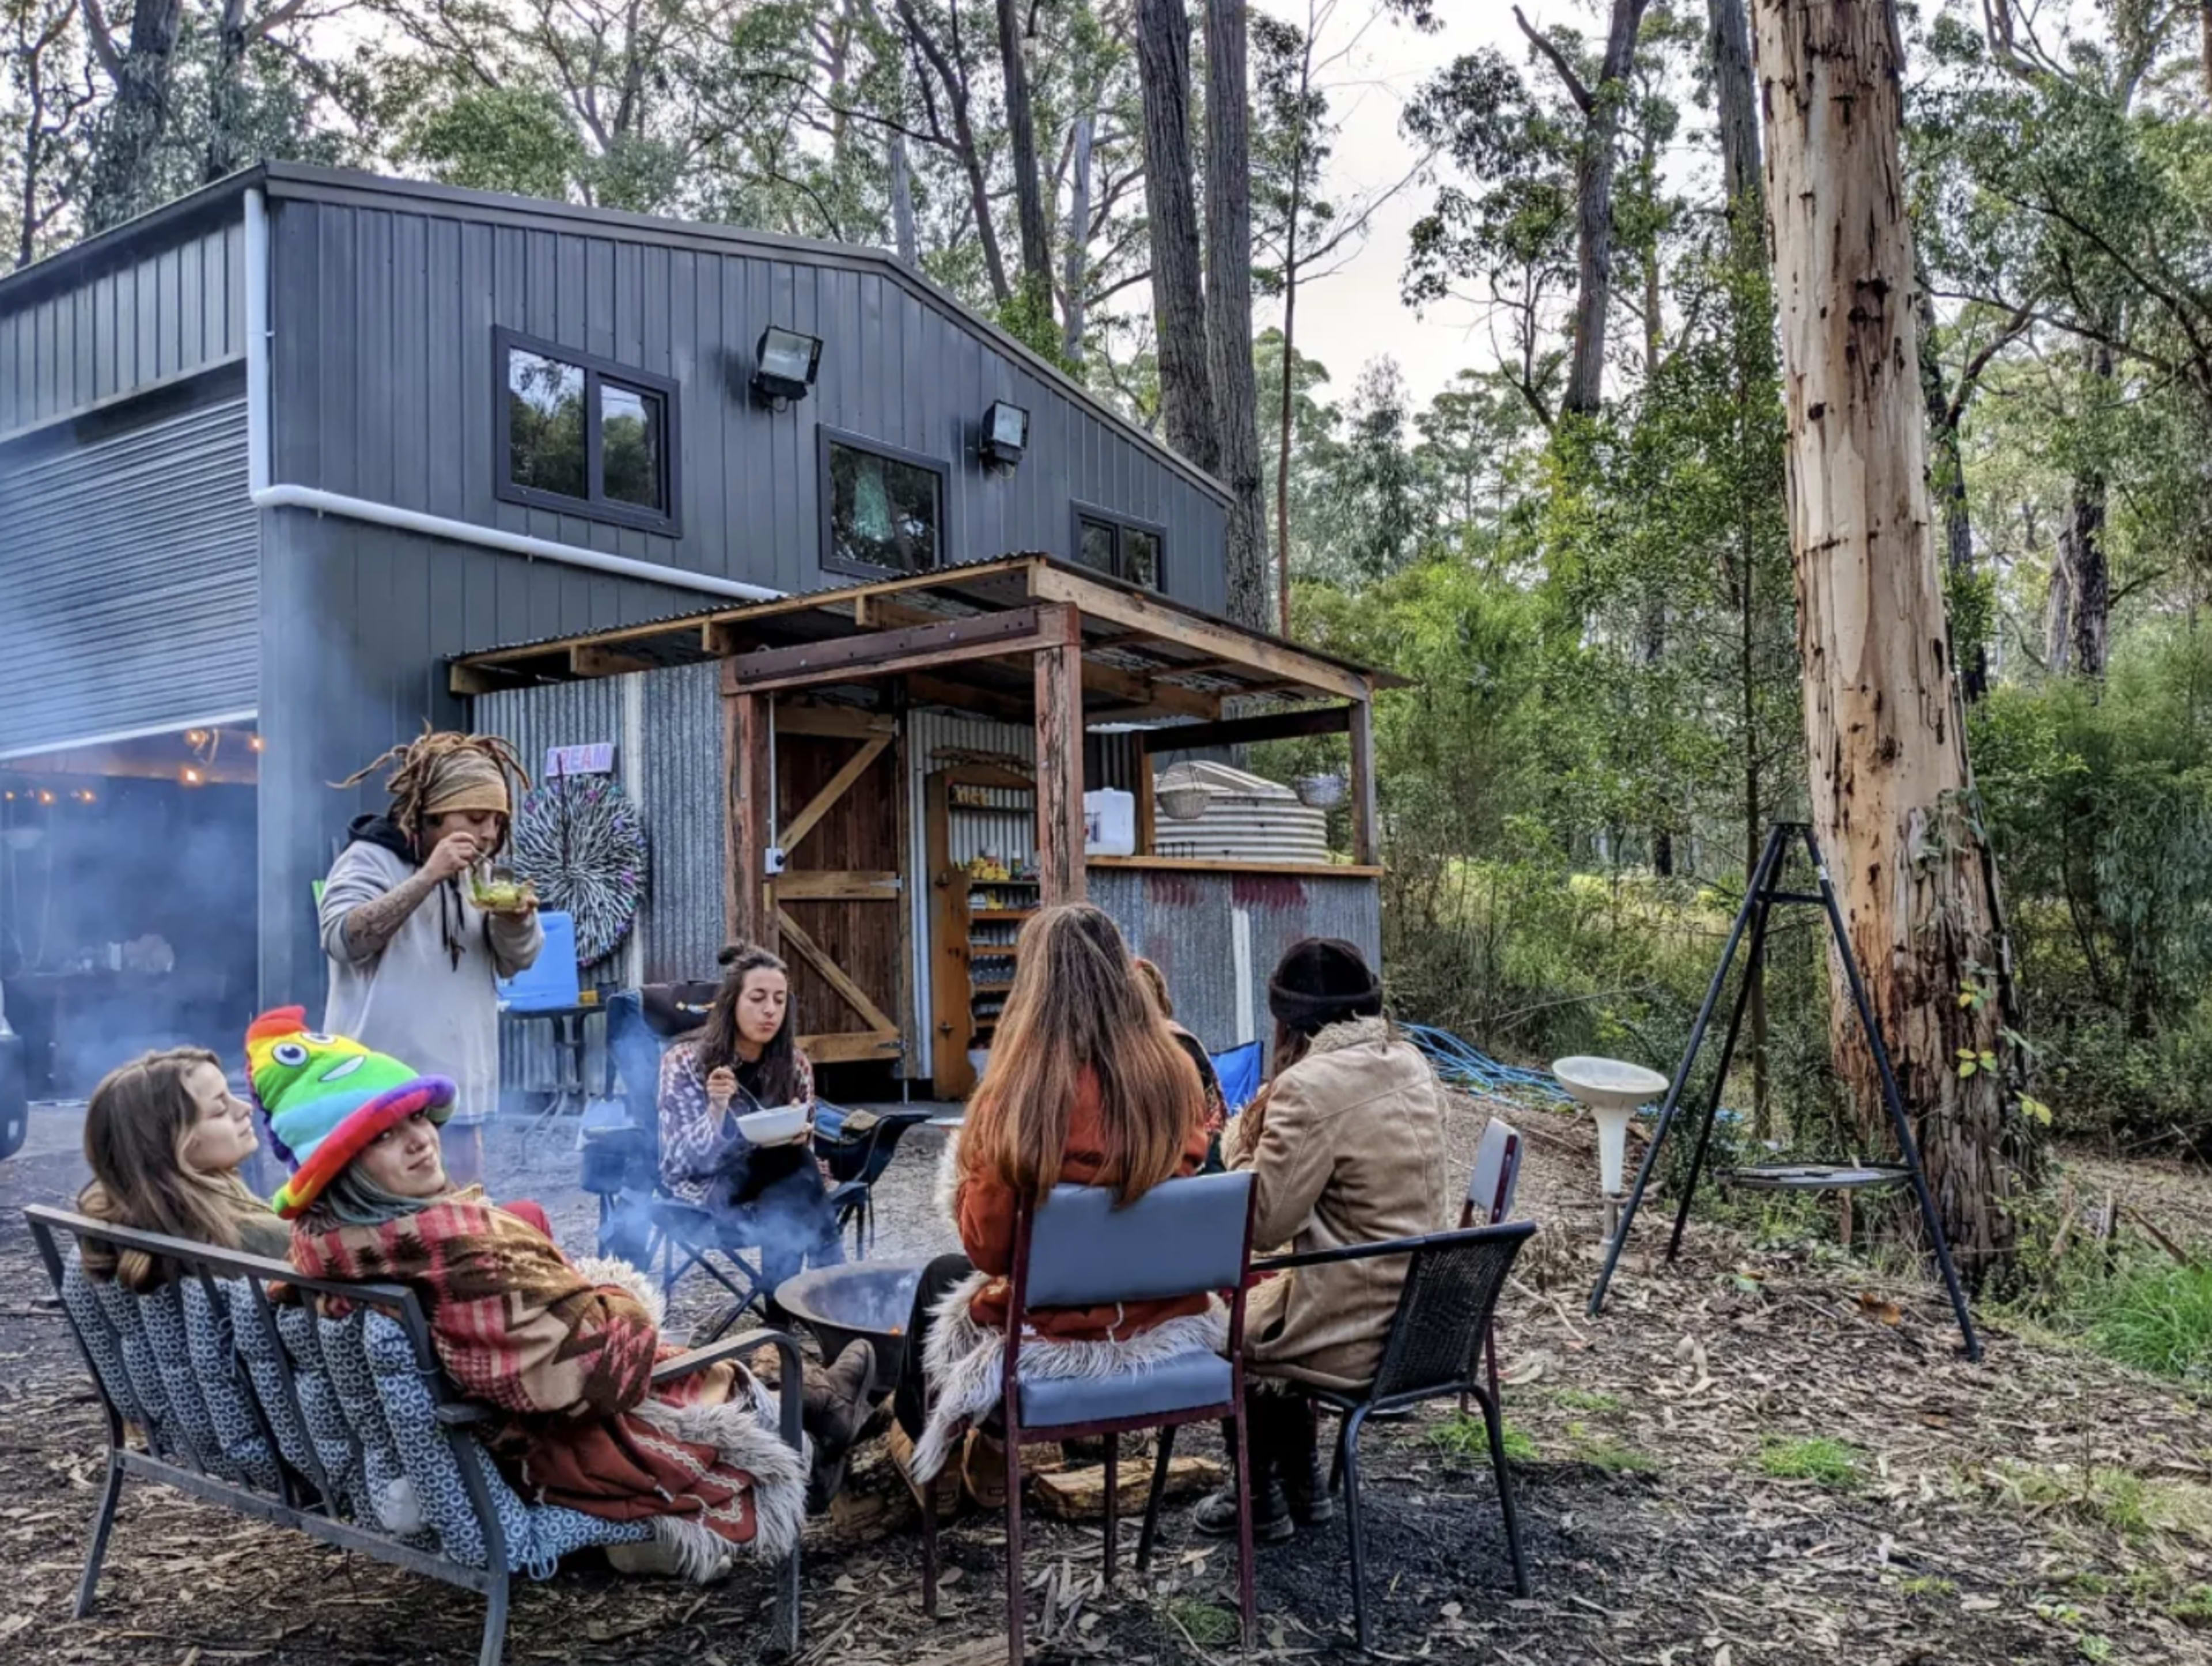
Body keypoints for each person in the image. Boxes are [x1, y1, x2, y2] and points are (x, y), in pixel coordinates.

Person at [255, 1008, 873, 1576]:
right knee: (691, 1357)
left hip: (506, 1426)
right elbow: (599, 1375)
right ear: (336, 1168)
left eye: (418, 1116)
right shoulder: (461, 1256)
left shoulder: (336, 1249)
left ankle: (829, 1406)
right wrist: (618, 1292)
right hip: (560, 1445)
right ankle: (820, 1424)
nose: (420, 1138)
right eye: (383, 1136)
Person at [888, 903, 1214, 1508]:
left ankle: (936, 1447)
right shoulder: (1178, 1075)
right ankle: (981, 1442)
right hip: (1157, 1311)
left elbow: (988, 1249)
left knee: (940, 1278)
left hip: (1057, 1321)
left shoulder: (1018, 1093)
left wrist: (965, 1180)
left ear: (1034, 985)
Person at [1192, 937, 1449, 1544]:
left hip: (1353, 1330)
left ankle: (1258, 1494)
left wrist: (1238, 1147)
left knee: (1228, 1325)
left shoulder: (1309, 1088)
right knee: (1272, 1300)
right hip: (1423, 1325)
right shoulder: (1410, 1062)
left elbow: (1265, 1224)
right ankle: (1305, 1481)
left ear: (1289, 1022)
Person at [320, 728, 541, 1190]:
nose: (488, 833)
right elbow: (343, 939)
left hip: (461, 1092)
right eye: (477, 817)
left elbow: (512, 962)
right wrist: (427, 877)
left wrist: (516, 921)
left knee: (458, 1222)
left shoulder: (477, 875)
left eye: (497, 821)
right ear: (430, 814)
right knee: (392, 1228)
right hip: (381, 1091)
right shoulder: (368, 860)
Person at [657, 944, 844, 1313]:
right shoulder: (684, 1062)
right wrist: (716, 1109)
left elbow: (806, 1150)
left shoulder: (795, 1065)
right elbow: (680, 1161)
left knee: (788, 1170)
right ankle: (834, 1289)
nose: (770, 1010)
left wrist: (799, 1132)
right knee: (790, 1167)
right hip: (707, 1191)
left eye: (779, 1000)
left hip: (779, 1188)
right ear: (731, 1003)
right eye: (757, 998)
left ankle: (781, 1323)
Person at [77, 1046, 292, 1289]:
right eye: (220, 1110)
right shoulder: (266, 1239)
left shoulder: (122, 1235)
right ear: (173, 1145)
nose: (245, 1109)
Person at [1132, 956, 1228, 1165]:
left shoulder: (1113, 1048)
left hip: (1151, 1163)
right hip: (1199, 1163)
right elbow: (1214, 1117)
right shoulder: (1185, 1044)